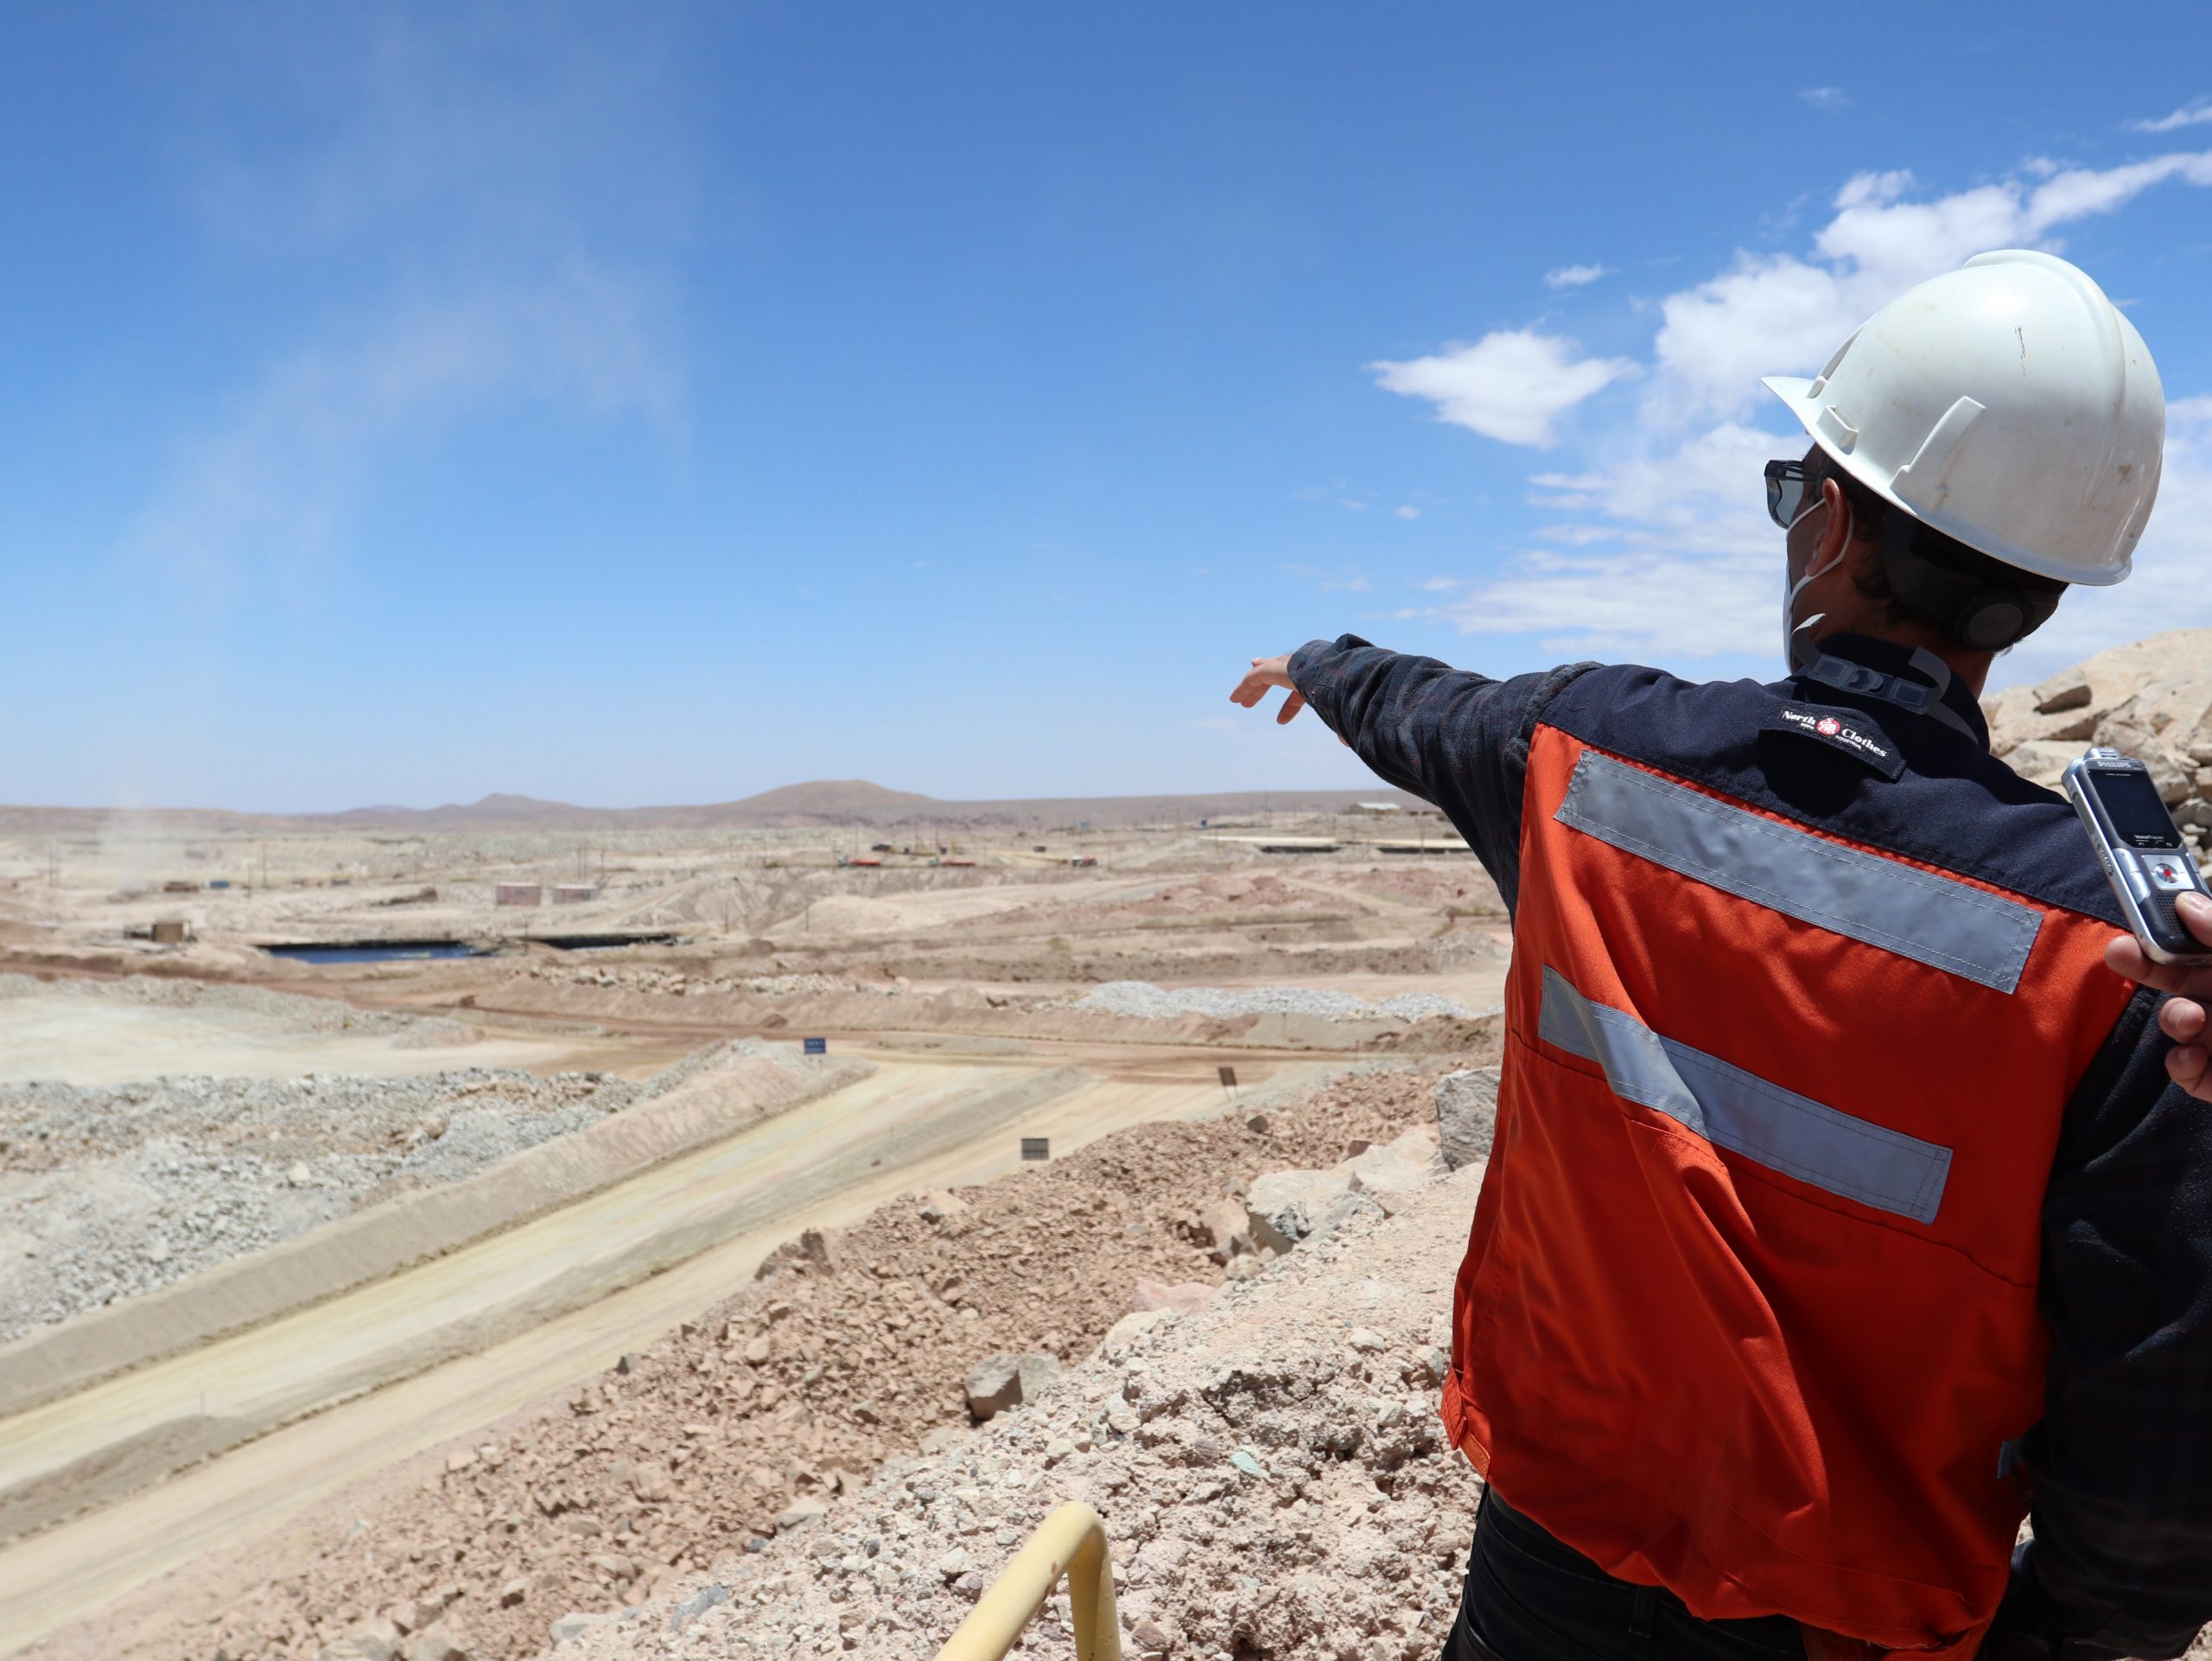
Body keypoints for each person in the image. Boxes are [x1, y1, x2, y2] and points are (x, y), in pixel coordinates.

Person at [1230, 250, 2212, 1659]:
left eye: (1788, 489)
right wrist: (2061, 1633)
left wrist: (1323, 664)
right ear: (2044, 594)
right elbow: (2157, 1386)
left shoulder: (1585, 756)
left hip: (1559, 1535)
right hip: (1859, 1610)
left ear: (1831, 527)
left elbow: (1428, 712)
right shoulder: (2114, 955)